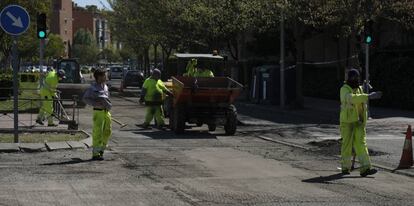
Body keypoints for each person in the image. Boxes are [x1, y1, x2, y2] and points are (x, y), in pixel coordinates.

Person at [340, 68, 382, 177]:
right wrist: (368, 96)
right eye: (353, 78)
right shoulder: (344, 89)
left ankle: (365, 168)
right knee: (347, 145)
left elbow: (360, 103)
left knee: (361, 145)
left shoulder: (359, 89)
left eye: (355, 78)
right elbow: (351, 98)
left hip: (359, 122)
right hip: (347, 122)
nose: (354, 80)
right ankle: (345, 168)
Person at [83, 68, 112, 160]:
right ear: (99, 76)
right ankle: (96, 153)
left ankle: (101, 150)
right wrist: (95, 103)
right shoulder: (93, 87)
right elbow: (85, 98)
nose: (106, 77)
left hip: (106, 112)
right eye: (105, 75)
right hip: (98, 112)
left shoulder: (106, 86)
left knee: (107, 131)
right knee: (98, 132)